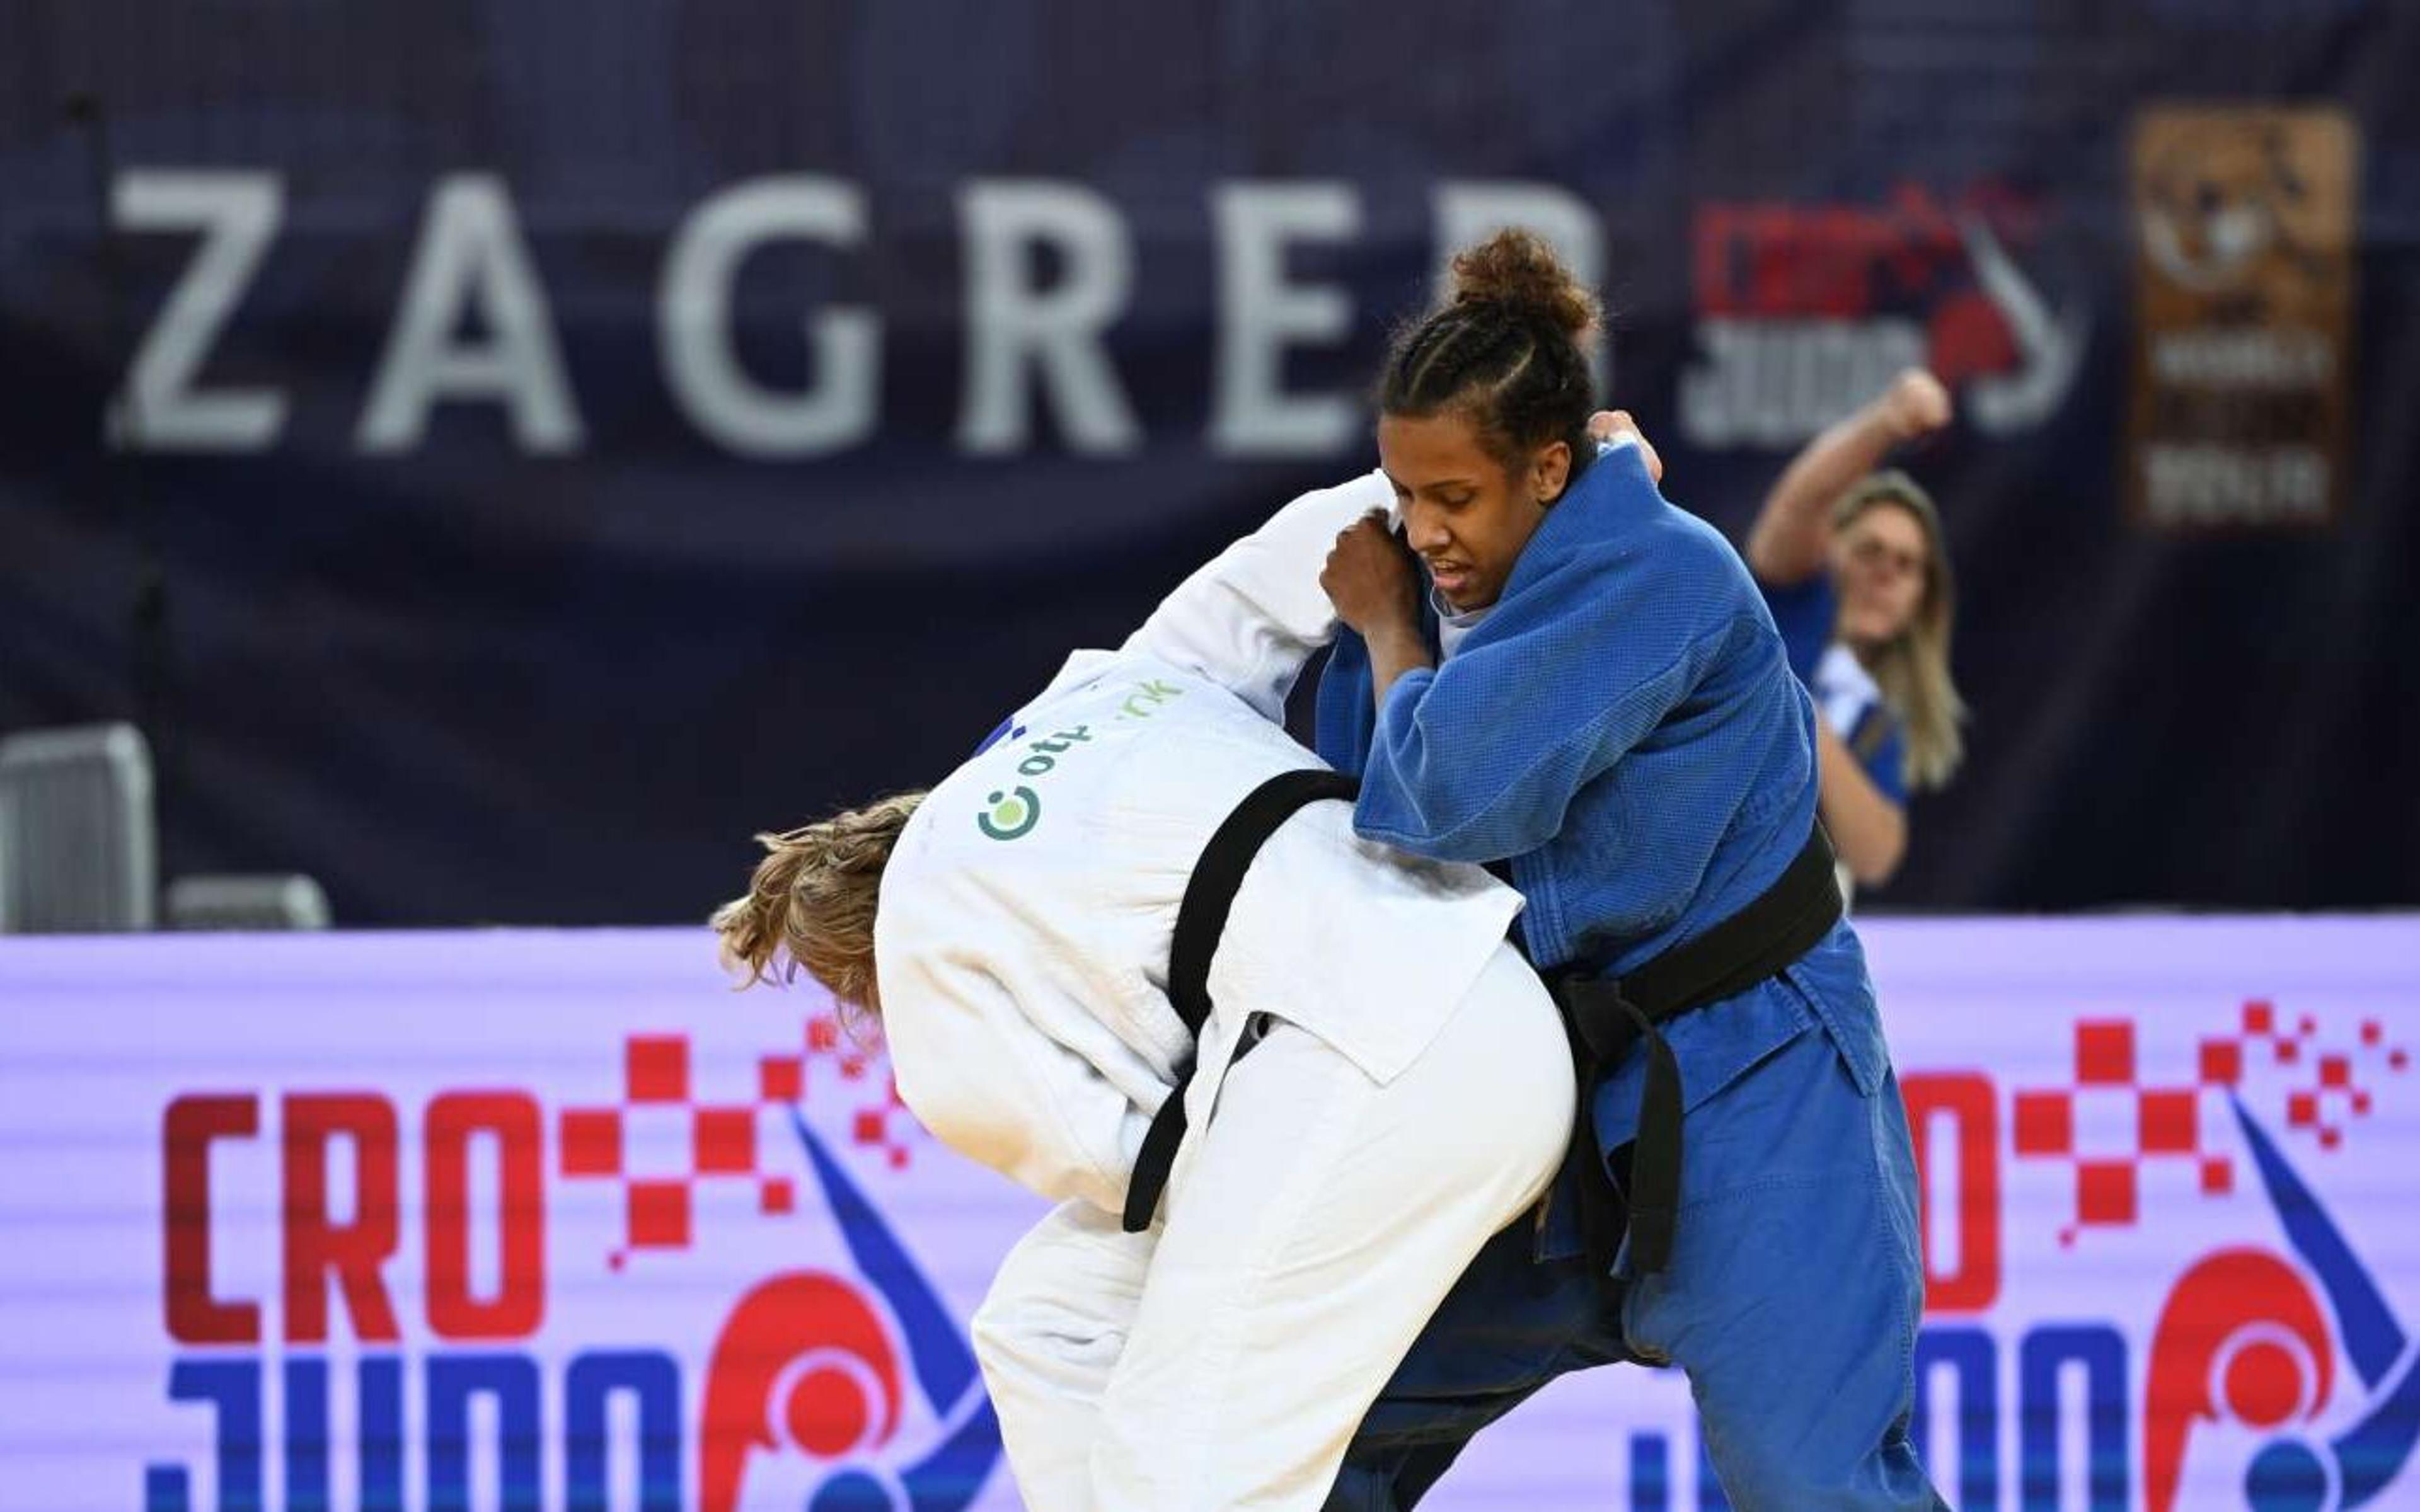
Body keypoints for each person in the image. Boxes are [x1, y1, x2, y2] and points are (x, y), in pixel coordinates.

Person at [712, 471, 1574, 1512]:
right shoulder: (1086, 703)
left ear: (861, 966)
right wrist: (1514, 468)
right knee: (1050, 1322)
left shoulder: (923, 961)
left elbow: (1141, 1168)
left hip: (1386, 1063)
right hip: (1479, 986)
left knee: (1176, 1465)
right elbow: (1287, 558)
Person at [1311, 230, 1944, 1509]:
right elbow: (1352, 777)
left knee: (1814, 1485)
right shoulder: (1488, 582)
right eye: (1406, 494)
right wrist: (1409, 620)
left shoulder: (1656, 570)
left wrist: (1385, 621)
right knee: (1319, 1425)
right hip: (1559, 1095)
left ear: (1550, 469)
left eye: (1454, 499)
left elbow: (1435, 798)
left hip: (1765, 1083)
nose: (1421, 530)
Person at [1736, 367, 1968, 893]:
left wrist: (1807, 718)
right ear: (1831, 550)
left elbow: (1876, 856)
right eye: (1870, 551)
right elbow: (1802, 500)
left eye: (1906, 565)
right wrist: (1888, 422)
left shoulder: (1873, 719)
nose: (1886, 572)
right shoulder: (1788, 599)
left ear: (1919, 602)